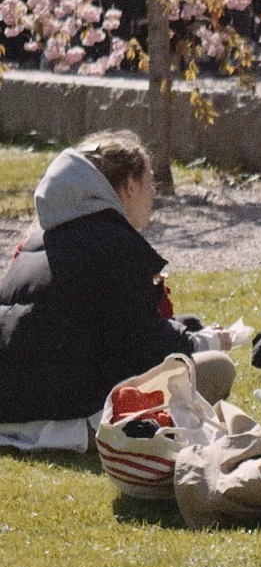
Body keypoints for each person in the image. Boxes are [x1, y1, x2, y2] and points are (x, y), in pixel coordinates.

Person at [0, 131, 244, 442]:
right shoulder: (114, 246)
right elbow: (143, 349)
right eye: (149, 181)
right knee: (217, 367)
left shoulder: (42, 238)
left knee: (188, 324)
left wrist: (190, 331)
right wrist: (208, 342)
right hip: (68, 419)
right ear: (128, 187)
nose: (154, 192)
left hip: (11, 408)